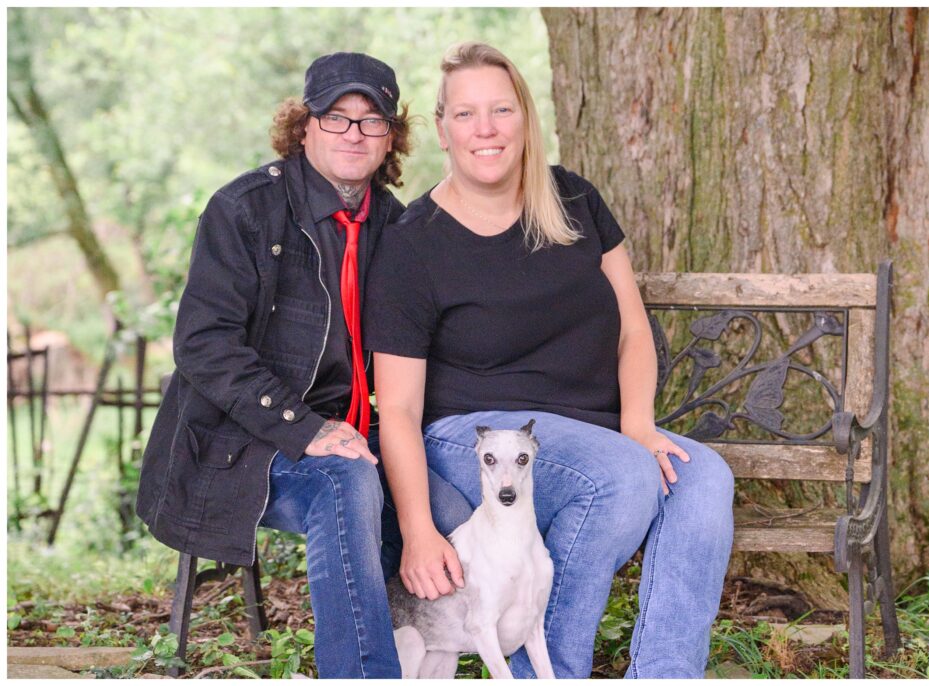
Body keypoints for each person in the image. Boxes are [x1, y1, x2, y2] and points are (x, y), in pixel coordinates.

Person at [363, 42, 735, 678]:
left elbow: (632, 331)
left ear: (526, 121)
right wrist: (419, 527)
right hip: (469, 435)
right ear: (444, 129)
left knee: (702, 478)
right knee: (619, 477)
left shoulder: (572, 200)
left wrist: (640, 423)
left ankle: (666, 674)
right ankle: (549, 674)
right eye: (465, 114)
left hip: (588, 432)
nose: (486, 129)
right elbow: (396, 407)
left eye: (502, 110)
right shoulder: (412, 245)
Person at [135, 52, 465, 678]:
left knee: (452, 507)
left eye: (372, 121)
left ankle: (446, 655)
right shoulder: (244, 209)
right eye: (337, 117)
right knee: (344, 482)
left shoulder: (399, 226)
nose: (354, 134)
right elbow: (204, 344)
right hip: (248, 442)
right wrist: (307, 429)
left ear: (390, 136)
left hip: (366, 434)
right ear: (304, 125)